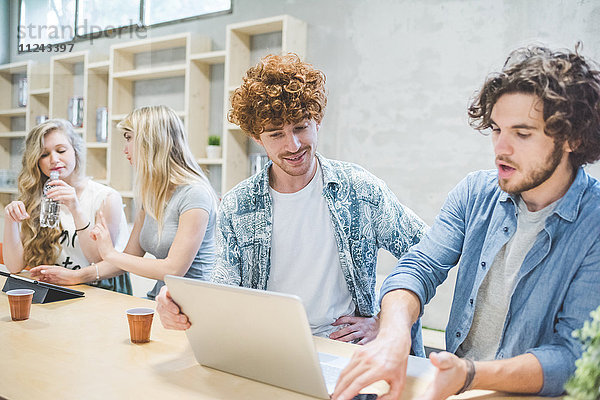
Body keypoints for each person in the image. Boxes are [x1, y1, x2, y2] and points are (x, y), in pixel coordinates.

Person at [333, 45, 600, 400]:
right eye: (495, 129)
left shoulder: (594, 222)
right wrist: (394, 334)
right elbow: (419, 266)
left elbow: (572, 358)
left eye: (522, 134)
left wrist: (470, 374)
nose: (501, 148)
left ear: (572, 138)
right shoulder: (475, 192)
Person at [156, 53, 426, 344]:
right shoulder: (238, 206)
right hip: (270, 346)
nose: (293, 145)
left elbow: (426, 252)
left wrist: (383, 320)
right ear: (257, 138)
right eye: (276, 134)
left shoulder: (359, 189)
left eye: (300, 127)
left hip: (346, 346)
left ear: (317, 121)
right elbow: (224, 288)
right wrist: (176, 303)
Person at [29, 106, 218, 299]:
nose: (124, 149)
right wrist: (75, 276)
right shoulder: (153, 194)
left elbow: (173, 268)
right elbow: (130, 257)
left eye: (128, 137)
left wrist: (109, 253)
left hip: (193, 307)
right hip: (161, 301)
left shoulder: (195, 194)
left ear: (151, 140)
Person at [3, 119, 131, 293]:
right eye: (44, 155)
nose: (54, 160)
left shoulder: (106, 198)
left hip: (98, 291)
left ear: (75, 151)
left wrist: (75, 208)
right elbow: (14, 266)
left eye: (61, 150)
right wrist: (11, 221)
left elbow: (98, 259)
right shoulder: (36, 197)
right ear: (36, 161)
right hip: (53, 290)